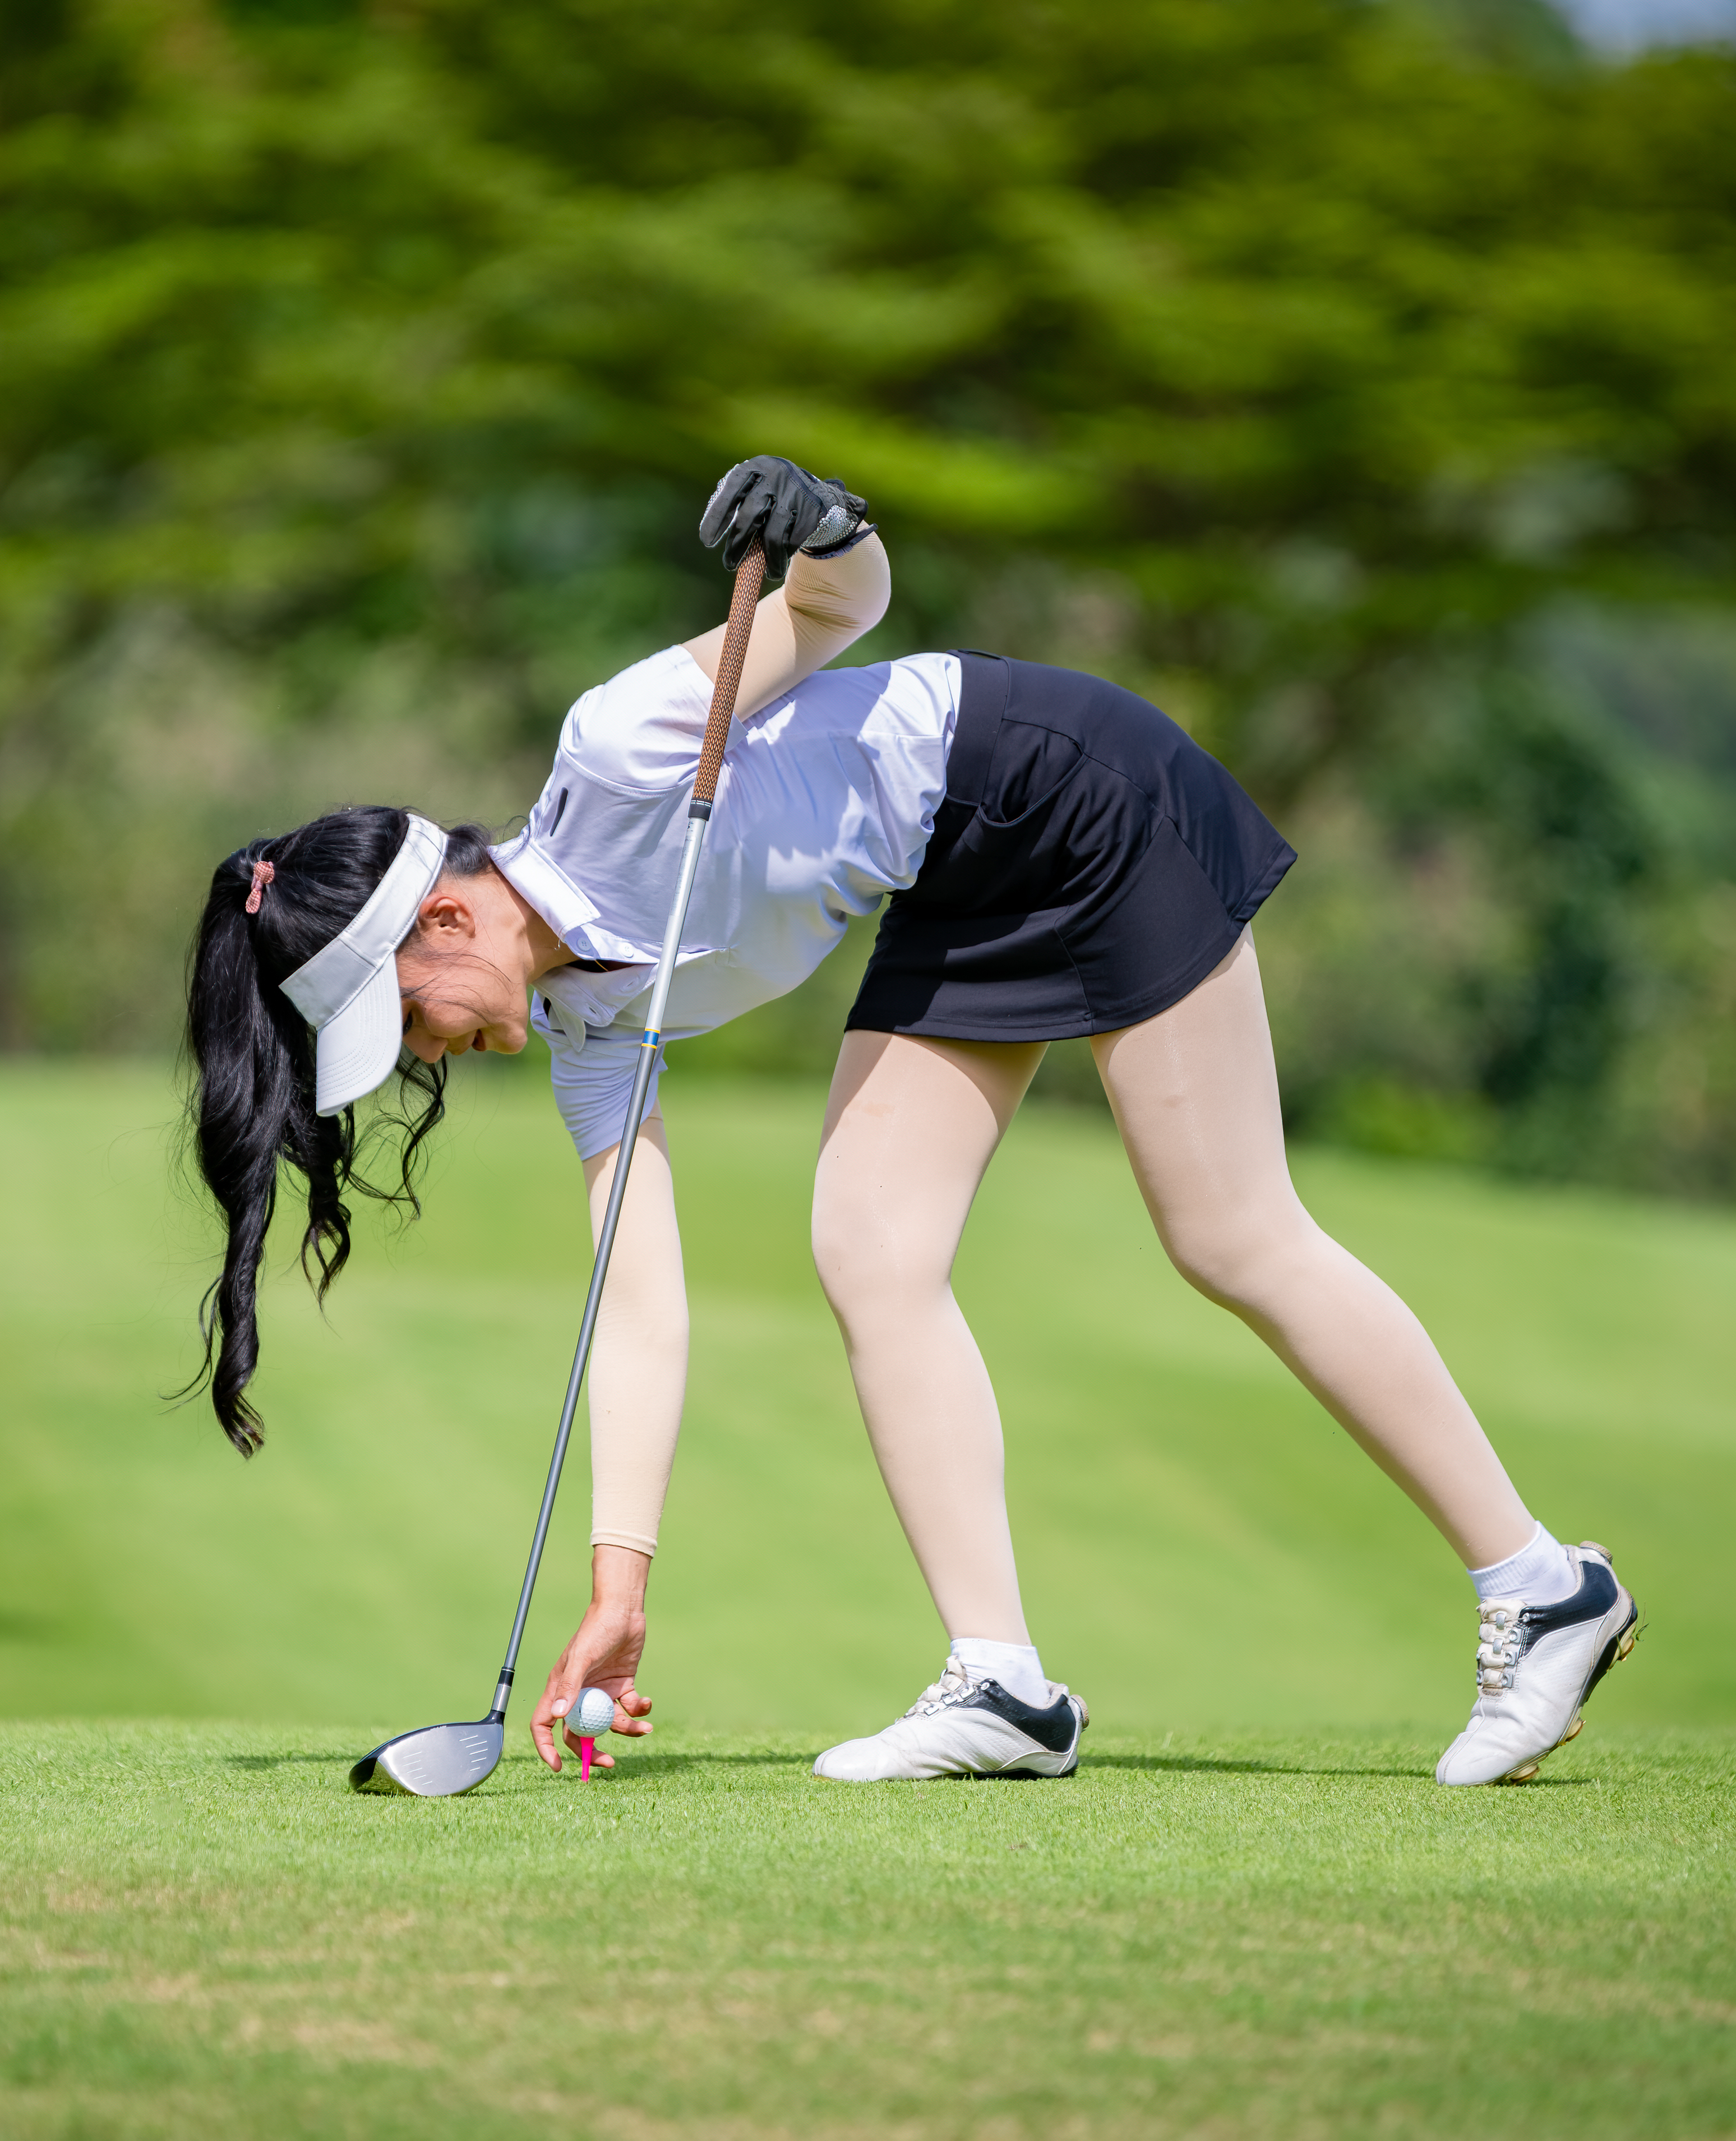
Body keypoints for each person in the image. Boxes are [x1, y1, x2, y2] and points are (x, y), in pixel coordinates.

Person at [179, 456, 1643, 1786]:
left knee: (1228, 1231)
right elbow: (636, 1303)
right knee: (871, 1244)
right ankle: (1002, 1685)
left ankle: (1543, 1588)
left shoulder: (617, 753)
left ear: (443, 921)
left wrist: (826, 525)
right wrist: (623, 1582)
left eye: (407, 1018)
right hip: (953, 883)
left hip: (1069, 793)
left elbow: (843, 604)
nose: (426, 1055)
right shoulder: (586, 1030)